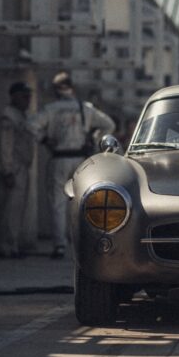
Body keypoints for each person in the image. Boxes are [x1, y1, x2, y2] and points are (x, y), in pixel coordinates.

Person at [31, 72, 115, 259]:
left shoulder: (51, 108)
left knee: (58, 203)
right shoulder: (86, 109)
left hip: (59, 158)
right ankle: (84, 243)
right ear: (72, 88)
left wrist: (44, 139)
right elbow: (109, 124)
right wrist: (94, 139)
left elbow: (31, 125)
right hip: (80, 161)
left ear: (55, 89)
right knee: (82, 202)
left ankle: (60, 245)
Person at [0, 81, 36, 258]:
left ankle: (12, 246)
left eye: (29, 96)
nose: (27, 100)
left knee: (17, 210)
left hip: (21, 168)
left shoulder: (21, 116)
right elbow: (5, 146)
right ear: (14, 96)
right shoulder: (8, 117)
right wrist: (7, 171)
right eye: (24, 96)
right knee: (10, 210)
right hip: (13, 169)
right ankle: (7, 247)